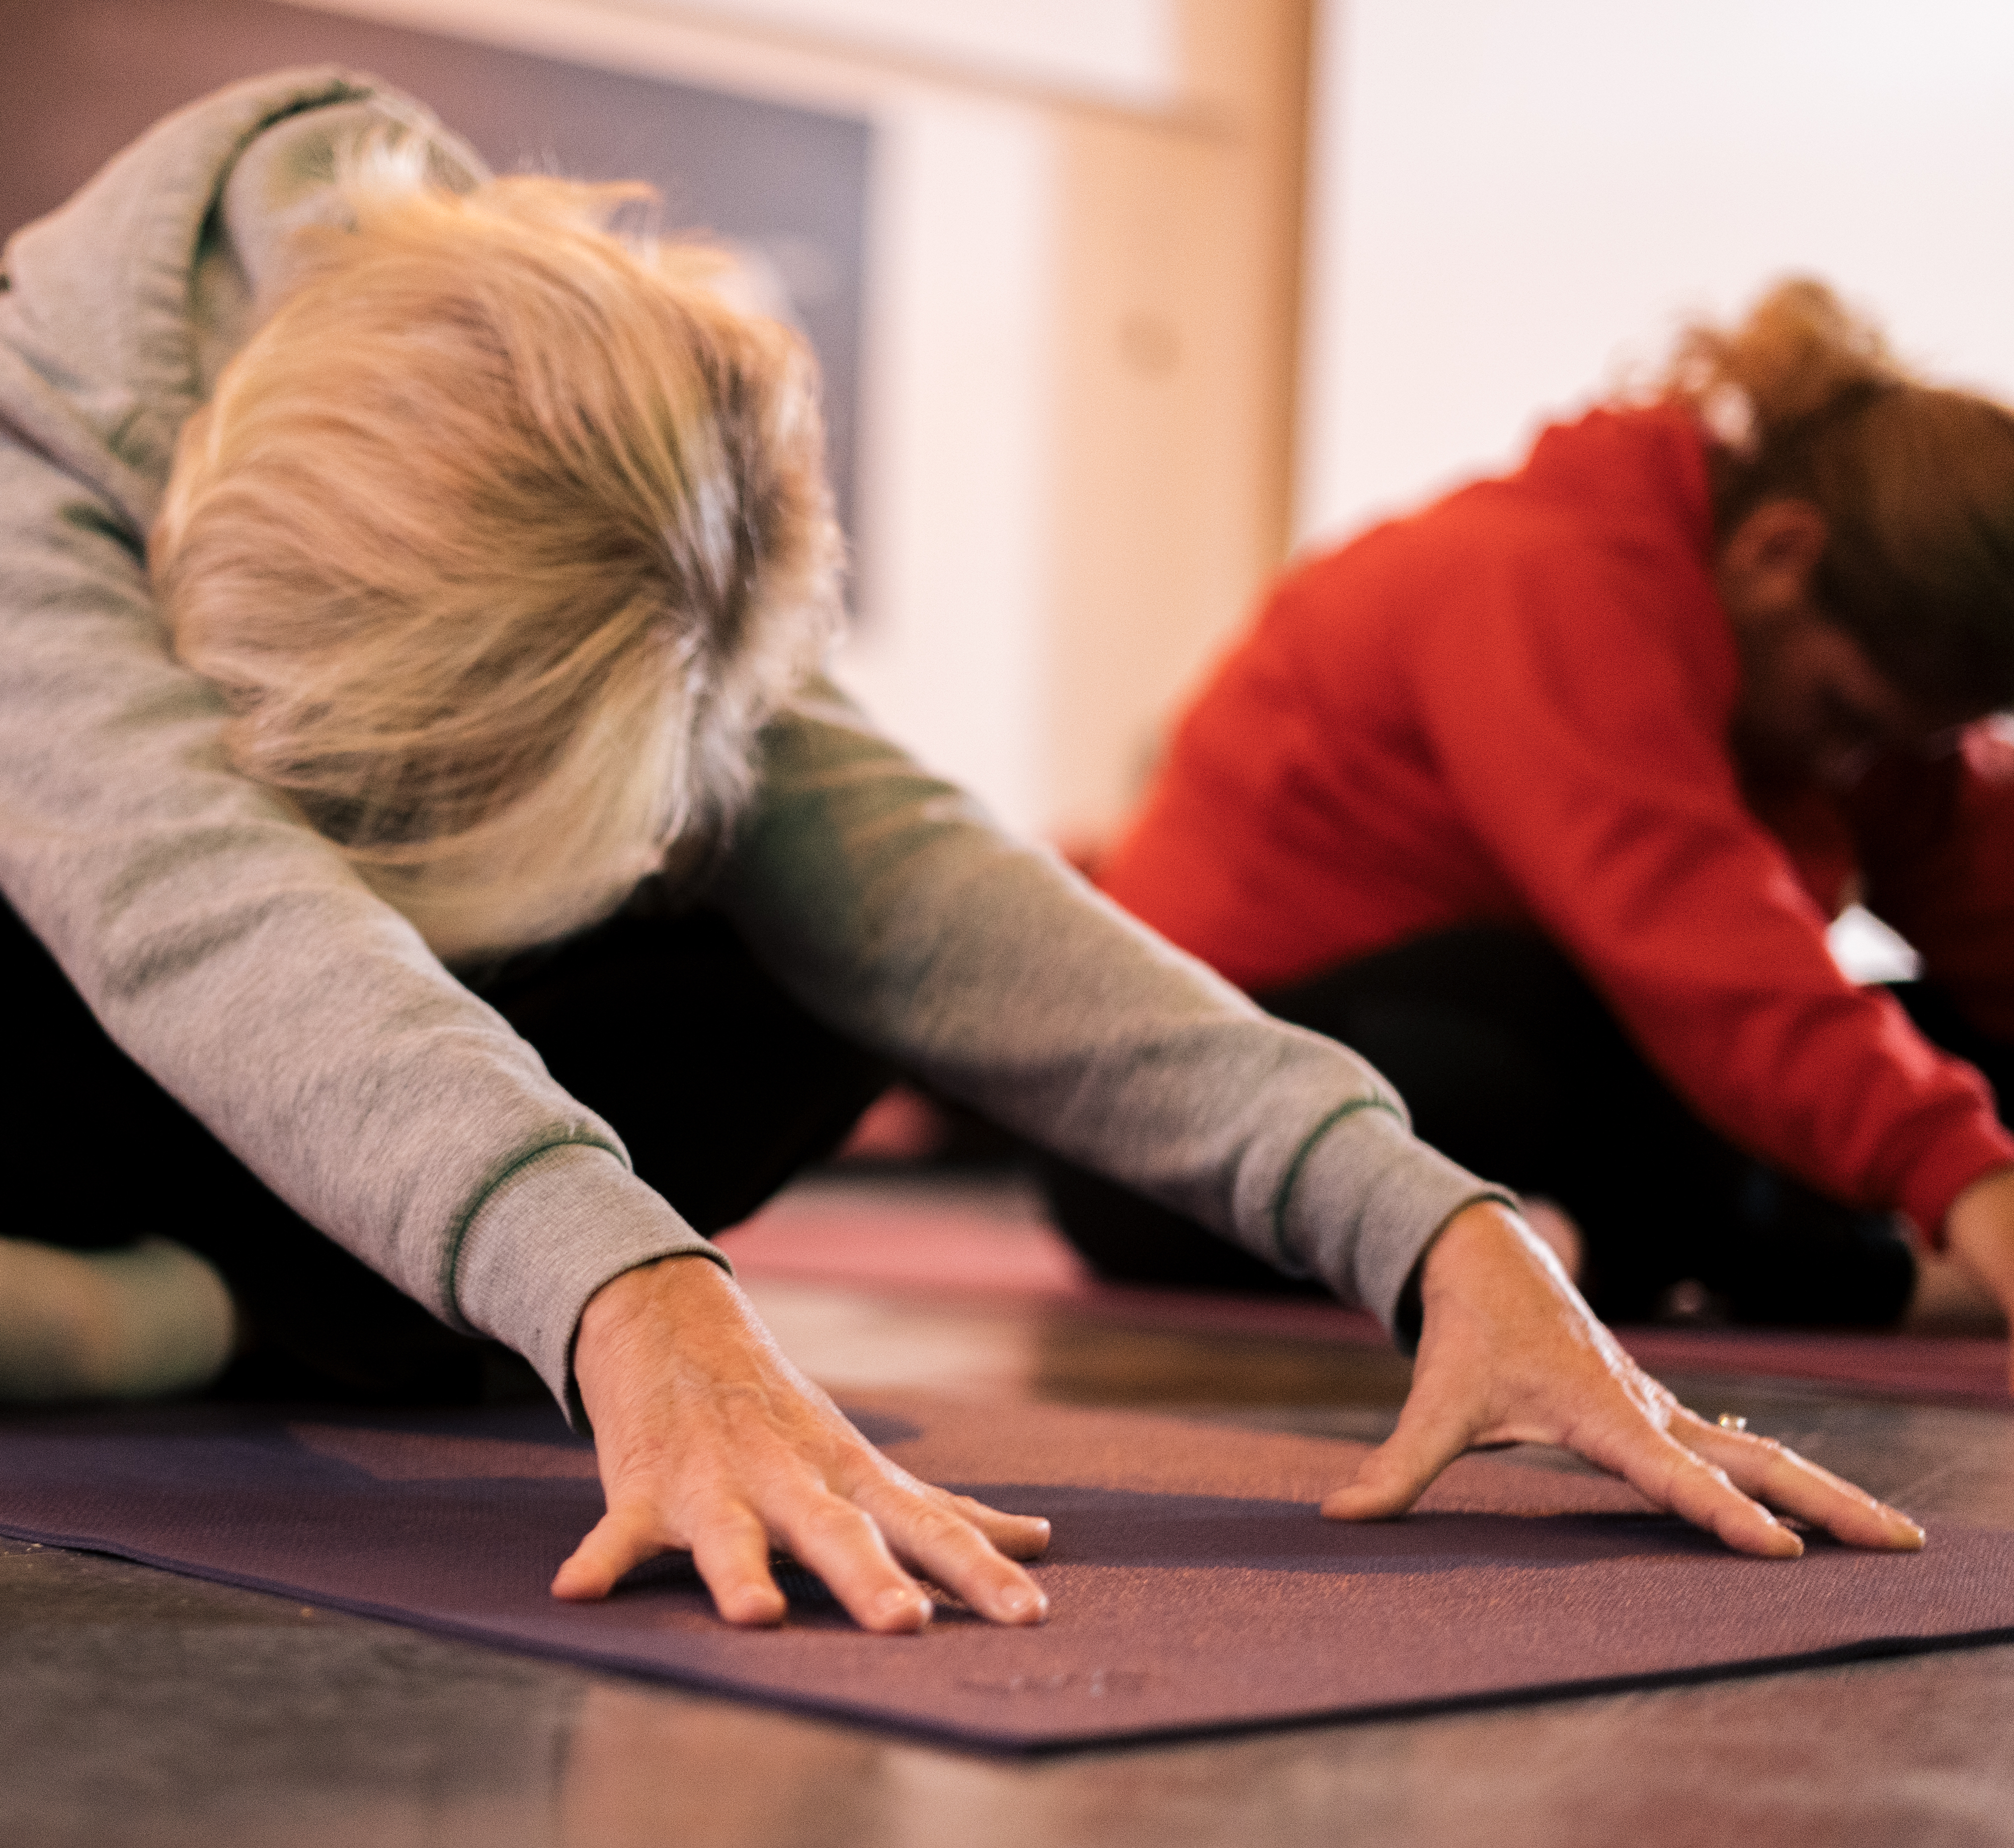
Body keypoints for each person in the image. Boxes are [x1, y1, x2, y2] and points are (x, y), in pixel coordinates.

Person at [0, 72, 1921, 1637]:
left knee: (802, 951)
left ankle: (194, 1307)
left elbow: (941, 898)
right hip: (103, 994)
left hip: (301, 1110)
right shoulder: (36, 472)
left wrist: (1433, 1222)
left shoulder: (556, 424)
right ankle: (180, 1283)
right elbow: (217, 923)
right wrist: (633, 1299)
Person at [1079, 281, 2014, 1340]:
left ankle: (1654, 1241)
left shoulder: (1843, 701)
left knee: (1916, 1034)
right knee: (1565, 1016)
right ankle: (1845, 1267)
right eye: (1846, 717)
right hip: (1171, 1135)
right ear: (1777, 554)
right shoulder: (1537, 575)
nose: (1860, 765)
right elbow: (1689, 927)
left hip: (1511, 1082)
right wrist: (1970, 1179)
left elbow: (1982, 878)